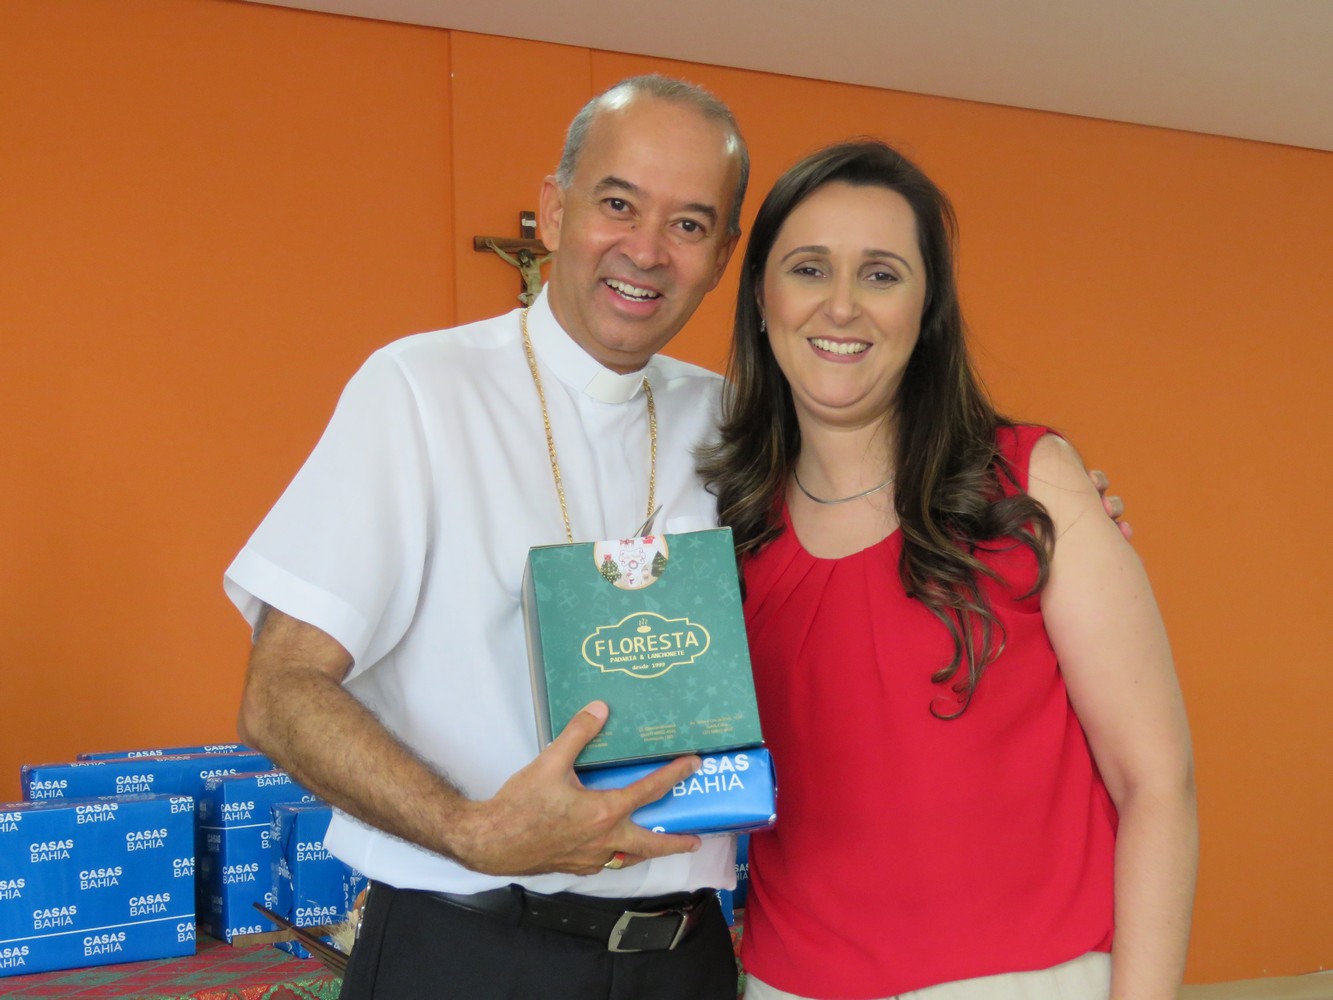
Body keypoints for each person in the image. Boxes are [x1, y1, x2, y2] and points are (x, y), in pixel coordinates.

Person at [226, 75, 749, 999]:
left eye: (688, 223)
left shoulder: (735, 423)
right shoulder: (419, 391)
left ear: (720, 257)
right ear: (554, 209)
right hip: (468, 951)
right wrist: (472, 831)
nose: (646, 250)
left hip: (682, 959)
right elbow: (280, 692)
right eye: (618, 203)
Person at [698, 140, 1196, 1000]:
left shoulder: (1029, 482)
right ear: (761, 297)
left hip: (1033, 980)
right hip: (788, 983)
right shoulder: (721, 524)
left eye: (881, 274)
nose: (842, 305)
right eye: (808, 269)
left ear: (925, 306)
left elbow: (1155, 781)